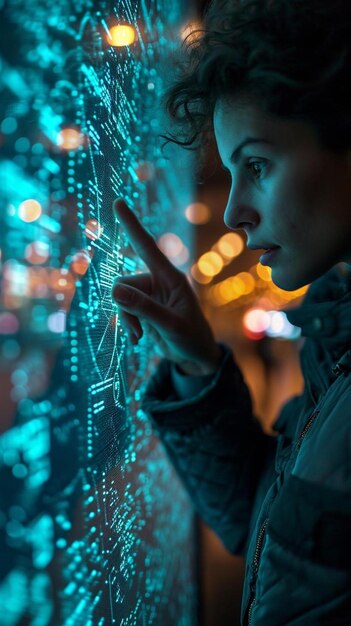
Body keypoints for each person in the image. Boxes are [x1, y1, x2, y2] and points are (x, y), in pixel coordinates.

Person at [112, 0, 351, 623]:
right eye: (231, 172)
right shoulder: (335, 345)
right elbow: (268, 522)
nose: (233, 212)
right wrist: (195, 364)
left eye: (258, 165)